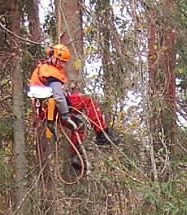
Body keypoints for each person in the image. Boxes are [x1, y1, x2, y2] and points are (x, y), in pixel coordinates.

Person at [28, 43, 119, 171]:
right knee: (88, 101)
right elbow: (59, 97)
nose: (62, 65)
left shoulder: (42, 69)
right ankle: (101, 134)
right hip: (53, 107)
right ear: (54, 57)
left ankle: (75, 156)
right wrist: (65, 115)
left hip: (46, 110)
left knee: (79, 125)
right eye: (61, 62)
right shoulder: (50, 72)